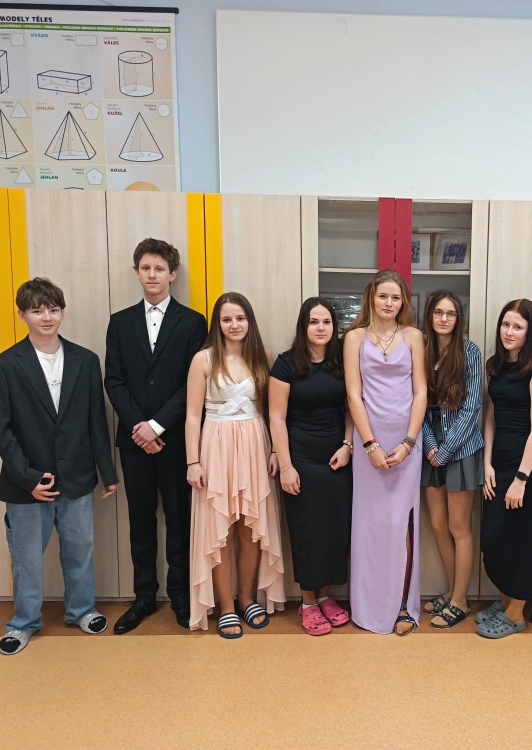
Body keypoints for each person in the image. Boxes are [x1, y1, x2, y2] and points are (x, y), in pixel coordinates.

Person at [0, 278, 118, 655]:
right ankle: (23, 622)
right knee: (26, 558)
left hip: (77, 477)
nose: (46, 317)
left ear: (62, 312)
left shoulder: (85, 360)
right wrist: (28, 478)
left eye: (53, 309)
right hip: (26, 483)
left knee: (80, 550)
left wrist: (107, 473)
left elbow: (96, 420)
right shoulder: (3, 366)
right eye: (37, 310)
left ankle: (82, 610)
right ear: (22, 315)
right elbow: (1, 431)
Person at [104, 238, 207, 633]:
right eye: (145, 268)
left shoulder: (193, 322)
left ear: (172, 274)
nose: (152, 275)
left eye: (159, 269)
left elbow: (192, 384)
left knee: (180, 522)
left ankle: (180, 596)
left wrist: (158, 425)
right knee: (140, 521)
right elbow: (114, 381)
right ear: (136, 273)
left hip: (177, 440)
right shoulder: (119, 322)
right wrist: (140, 428)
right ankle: (144, 597)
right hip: (134, 442)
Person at [185, 292, 286, 637]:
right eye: (227, 319)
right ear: (218, 323)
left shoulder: (263, 356)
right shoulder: (203, 359)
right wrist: (193, 461)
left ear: (249, 321)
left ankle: (247, 598)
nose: (234, 325)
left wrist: (276, 451)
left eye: (240, 318)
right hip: (216, 445)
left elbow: (273, 411)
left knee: (250, 527)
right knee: (222, 528)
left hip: (255, 443)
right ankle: (226, 606)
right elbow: (192, 415)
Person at [344, 270, 427, 635]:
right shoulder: (354, 338)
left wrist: (408, 443)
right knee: (371, 525)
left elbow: (421, 391)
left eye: (395, 297)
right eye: (383, 296)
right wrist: (370, 445)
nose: (389, 303)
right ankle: (369, 606)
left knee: (401, 524)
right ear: (371, 298)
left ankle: (403, 605)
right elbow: (353, 394)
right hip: (370, 444)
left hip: (406, 444)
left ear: (403, 301)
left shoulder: (413, 336)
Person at [269, 298, 354, 636]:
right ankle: (307, 601)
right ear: (303, 326)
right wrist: (286, 466)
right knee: (308, 531)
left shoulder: (342, 361)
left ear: (335, 327)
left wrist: (348, 445)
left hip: (337, 458)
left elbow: (352, 407)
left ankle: (325, 596)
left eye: (327, 322)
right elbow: (276, 417)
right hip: (300, 458)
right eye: (314, 322)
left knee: (334, 529)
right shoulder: (286, 363)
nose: (321, 328)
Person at [476, 299, 532, 639]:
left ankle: (516, 613)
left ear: (530, 332)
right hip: (499, 463)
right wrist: (487, 463)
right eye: (506, 324)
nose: (509, 332)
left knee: (520, 541)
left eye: (518, 327)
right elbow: (491, 416)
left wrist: (521, 478)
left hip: (526, 468)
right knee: (493, 540)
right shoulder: (496, 366)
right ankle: (506, 599)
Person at [419, 291, 484, 629]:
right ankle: (450, 590)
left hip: (462, 451)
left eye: (451, 313)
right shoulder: (421, 350)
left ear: (459, 319)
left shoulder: (469, 351)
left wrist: (445, 451)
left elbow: (472, 408)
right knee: (438, 525)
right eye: (438, 312)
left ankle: (460, 601)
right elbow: (417, 403)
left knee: (459, 527)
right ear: (429, 316)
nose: (444, 319)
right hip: (430, 451)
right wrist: (431, 445)